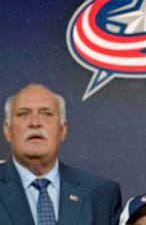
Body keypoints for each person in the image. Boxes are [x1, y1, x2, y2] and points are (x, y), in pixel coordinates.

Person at [0, 84, 122, 224]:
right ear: (7, 130)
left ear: (62, 130)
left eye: (46, 113)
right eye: (23, 114)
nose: (35, 123)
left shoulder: (100, 194)